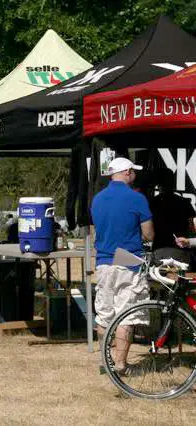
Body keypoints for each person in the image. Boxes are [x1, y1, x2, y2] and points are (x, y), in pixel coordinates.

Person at [90, 157, 154, 373]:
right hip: (128, 257)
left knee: (104, 313)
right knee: (127, 314)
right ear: (127, 172)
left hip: (104, 259)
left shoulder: (97, 199)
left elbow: (97, 230)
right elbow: (148, 233)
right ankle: (119, 364)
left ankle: (104, 361)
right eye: (133, 171)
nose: (135, 174)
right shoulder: (137, 198)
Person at [149, 168, 194, 265]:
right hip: (180, 252)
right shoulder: (184, 202)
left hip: (158, 251)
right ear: (174, 183)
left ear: (158, 184)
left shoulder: (152, 203)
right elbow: (193, 228)